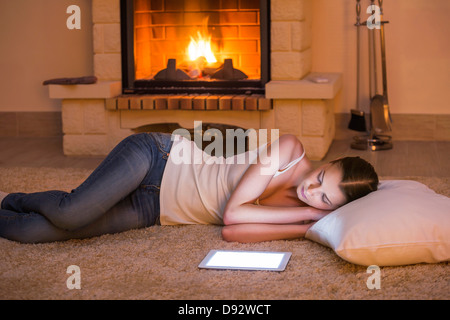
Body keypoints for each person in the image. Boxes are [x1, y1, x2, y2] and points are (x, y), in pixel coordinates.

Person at [0, 132, 378, 244]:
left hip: (157, 211)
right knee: (71, 212)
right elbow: (233, 212)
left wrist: (306, 226)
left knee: (37, 232)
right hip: (159, 159)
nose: (311, 191)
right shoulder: (290, 150)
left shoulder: (305, 213)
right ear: (326, 164)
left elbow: (231, 233)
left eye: (323, 198)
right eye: (319, 179)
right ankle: (13, 197)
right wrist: (309, 211)